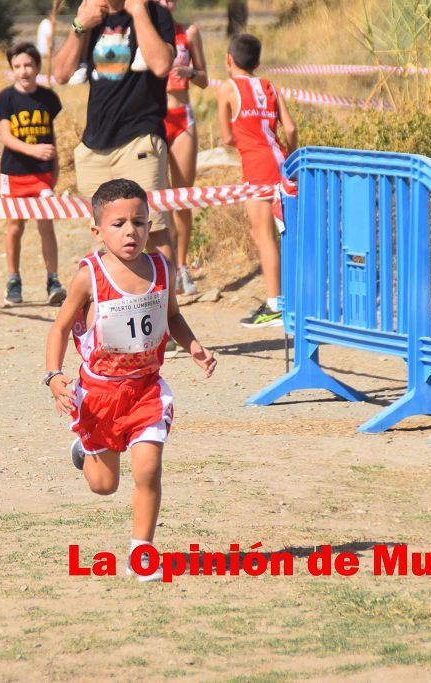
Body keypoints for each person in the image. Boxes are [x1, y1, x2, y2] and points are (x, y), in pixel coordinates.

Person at [44, 178, 216, 581]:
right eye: (118, 223)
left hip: (145, 390)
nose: (130, 232)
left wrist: (193, 347)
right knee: (104, 486)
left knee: (148, 469)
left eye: (139, 222)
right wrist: (54, 376)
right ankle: (82, 451)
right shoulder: (89, 276)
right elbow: (58, 328)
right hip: (100, 393)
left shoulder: (161, 267)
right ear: (97, 230)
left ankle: (142, 553)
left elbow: (171, 316)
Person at [53, 0, 177, 263]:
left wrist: (139, 11)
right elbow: (61, 74)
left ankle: (167, 303)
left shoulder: (155, 12)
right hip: (94, 146)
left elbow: (162, 65)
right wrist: (79, 26)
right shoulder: (91, 16)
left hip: (140, 138)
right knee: (109, 234)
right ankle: (122, 301)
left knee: (152, 230)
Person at [217, 33, 298, 328]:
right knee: (286, 232)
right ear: (258, 62)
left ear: (229, 60)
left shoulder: (227, 88)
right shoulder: (269, 85)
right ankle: (292, 299)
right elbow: (289, 127)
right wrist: (294, 155)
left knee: (263, 236)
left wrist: (244, 140)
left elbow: (226, 136)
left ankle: (276, 304)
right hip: (282, 161)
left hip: (256, 167)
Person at [0, 43, 68, 307]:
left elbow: (51, 137)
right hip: (14, 173)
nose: (23, 71)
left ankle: (53, 280)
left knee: (46, 225)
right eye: (17, 66)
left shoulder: (49, 98)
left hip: (42, 174)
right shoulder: (6, 97)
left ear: (37, 67)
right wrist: (32, 150)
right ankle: (13, 280)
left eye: (28, 65)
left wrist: (55, 167)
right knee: (15, 226)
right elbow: (5, 136)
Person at [157, 0, 207, 294]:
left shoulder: (189, 32)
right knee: (158, 198)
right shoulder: (145, 30)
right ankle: (163, 266)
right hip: (154, 118)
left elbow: (205, 80)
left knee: (182, 197)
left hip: (183, 117)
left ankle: (183, 266)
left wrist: (190, 74)